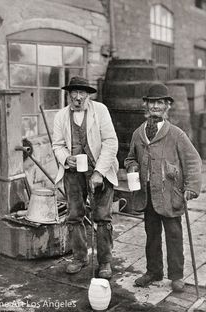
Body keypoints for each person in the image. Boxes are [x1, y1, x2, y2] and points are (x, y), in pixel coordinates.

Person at [124, 82, 202, 292]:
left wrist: (191, 187)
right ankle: (153, 271)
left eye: (160, 103)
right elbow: (131, 157)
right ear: (146, 106)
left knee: (174, 235)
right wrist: (131, 166)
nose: (155, 106)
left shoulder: (176, 134)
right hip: (148, 194)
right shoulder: (138, 134)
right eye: (151, 103)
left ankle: (176, 275)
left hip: (170, 195)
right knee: (152, 234)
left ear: (167, 106)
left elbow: (193, 161)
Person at [52, 76, 119, 279]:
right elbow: (57, 145)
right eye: (74, 93)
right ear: (69, 94)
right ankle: (80, 257)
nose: (78, 97)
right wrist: (66, 158)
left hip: (101, 169)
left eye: (82, 93)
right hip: (73, 173)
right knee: (74, 215)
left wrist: (98, 172)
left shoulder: (100, 111)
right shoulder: (61, 116)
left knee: (102, 217)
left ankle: (105, 261)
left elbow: (111, 142)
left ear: (88, 95)